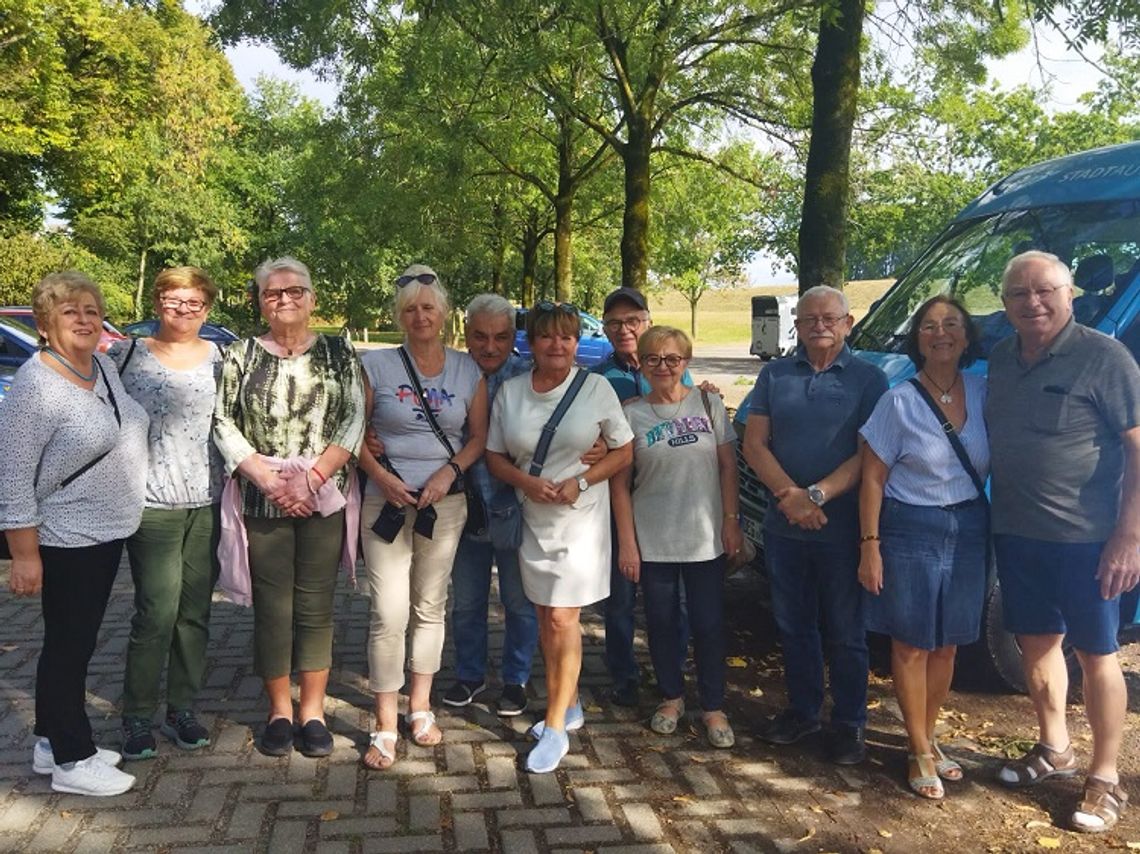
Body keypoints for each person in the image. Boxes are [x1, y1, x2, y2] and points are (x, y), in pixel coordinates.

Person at [987, 251, 1140, 832]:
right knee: (1036, 646)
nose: (1033, 303)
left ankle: (1104, 778)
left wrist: (1130, 535)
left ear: (1070, 292)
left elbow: (1137, 447)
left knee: (1098, 654)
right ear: (1006, 305)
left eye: (1045, 290)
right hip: (1018, 533)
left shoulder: (1105, 357)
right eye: (1019, 294)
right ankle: (1055, 748)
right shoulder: (1002, 357)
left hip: (1089, 540)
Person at [1, 271, 148, 796]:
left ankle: (48, 741)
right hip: (67, 535)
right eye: (70, 312)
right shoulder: (36, 384)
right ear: (44, 325)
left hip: (107, 529)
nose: (84, 319)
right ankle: (72, 758)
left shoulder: (102, 366)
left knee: (75, 641)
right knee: (69, 646)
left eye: (91, 310)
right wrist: (24, 555)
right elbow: (12, 473)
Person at [213, 256, 365, 758]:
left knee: (317, 607)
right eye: (273, 293)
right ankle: (280, 710)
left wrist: (312, 480)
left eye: (295, 291)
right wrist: (266, 477)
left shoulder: (341, 354)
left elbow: (354, 418)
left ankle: (313, 712)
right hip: (263, 497)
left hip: (322, 496)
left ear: (312, 298)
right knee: (274, 607)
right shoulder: (238, 356)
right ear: (261, 302)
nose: (285, 300)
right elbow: (221, 420)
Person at [742, 285, 887, 765]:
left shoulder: (870, 379)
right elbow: (755, 444)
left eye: (830, 317)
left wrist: (817, 495)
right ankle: (803, 711)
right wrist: (790, 497)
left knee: (846, 631)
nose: (819, 325)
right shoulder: (775, 374)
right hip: (786, 529)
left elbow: (869, 453)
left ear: (848, 323)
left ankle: (849, 723)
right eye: (809, 319)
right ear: (797, 327)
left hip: (843, 530)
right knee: (794, 624)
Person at [486, 301, 633, 773]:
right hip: (533, 516)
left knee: (561, 618)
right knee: (547, 613)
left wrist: (583, 482)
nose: (558, 345)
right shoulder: (510, 392)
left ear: (576, 342)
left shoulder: (597, 388)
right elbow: (494, 456)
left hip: (582, 518)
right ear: (531, 342)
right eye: (548, 336)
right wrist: (527, 483)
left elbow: (624, 448)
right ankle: (566, 704)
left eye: (568, 337)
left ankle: (553, 728)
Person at [856, 296, 989, 799]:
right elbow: (872, 478)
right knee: (911, 643)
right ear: (918, 339)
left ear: (967, 336)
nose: (941, 333)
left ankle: (929, 738)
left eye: (951, 324)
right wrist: (870, 544)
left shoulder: (983, 391)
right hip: (910, 527)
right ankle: (916, 749)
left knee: (948, 642)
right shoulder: (898, 400)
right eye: (930, 326)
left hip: (968, 525)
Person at [357, 265, 488, 770]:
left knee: (430, 607)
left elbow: (477, 438)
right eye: (410, 308)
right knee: (387, 612)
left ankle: (421, 708)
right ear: (399, 316)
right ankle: (385, 723)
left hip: (444, 504)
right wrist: (382, 476)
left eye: (428, 307)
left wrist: (447, 473)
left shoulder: (466, 370)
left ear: (443, 315)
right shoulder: (378, 367)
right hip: (386, 502)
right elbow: (354, 432)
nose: (419, 316)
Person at [109, 266, 225, 762]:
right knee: (156, 610)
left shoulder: (223, 358)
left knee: (194, 613)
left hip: (208, 499)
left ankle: (181, 708)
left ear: (207, 308)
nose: (182, 310)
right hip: (151, 501)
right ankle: (136, 715)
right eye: (173, 300)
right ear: (157, 302)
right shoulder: (126, 354)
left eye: (193, 302)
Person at [611, 326, 742, 748]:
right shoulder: (630, 414)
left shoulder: (709, 403)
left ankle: (714, 705)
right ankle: (671, 697)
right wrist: (628, 542)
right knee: (663, 623)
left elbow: (727, 467)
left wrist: (731, 519)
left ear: (686, 362)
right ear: (642, 364)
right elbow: (619, 484)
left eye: (673, 359)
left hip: (705, 536)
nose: (663, 367)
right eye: (653, 359)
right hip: (654, 539)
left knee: (708, 624)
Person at [593, 286, 693, 708]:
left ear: (647, 322)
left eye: (633, 321)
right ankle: (624, 673)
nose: (624, 329)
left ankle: (668, 669)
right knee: (619, 597)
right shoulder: (597, 378)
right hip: (615, 502)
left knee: (671, 598)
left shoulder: (676, 370)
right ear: (605, 328)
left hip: (666, 505)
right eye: (614, 323)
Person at [441, 294, 537, 716]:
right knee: (466, 602)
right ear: (466, 334)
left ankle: (516, 680)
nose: (490, 346)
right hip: (463, 509)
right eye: (480, 336)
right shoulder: (449, 373)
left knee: (519, 602)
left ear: (514, 335)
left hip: (515, 510)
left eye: (501, 336)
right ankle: (470, 675)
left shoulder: (531, 377)